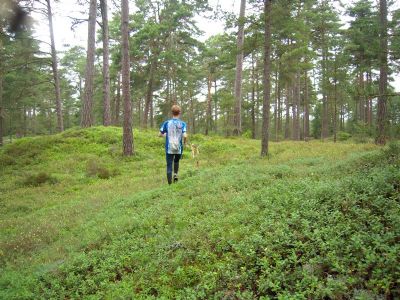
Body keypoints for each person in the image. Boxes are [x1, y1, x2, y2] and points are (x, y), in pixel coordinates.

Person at [159, 105, 187, 184]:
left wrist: (166, 135)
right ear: (179, 113)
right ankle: (175, 174)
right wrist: (184, 142)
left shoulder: (167, 123)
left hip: (169, 147)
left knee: (169, 165)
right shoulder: (182, 124)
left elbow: (160, 134)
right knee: (176, 161)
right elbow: (185, 135)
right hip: (179, 147)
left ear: (172, 113)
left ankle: (170, 185)